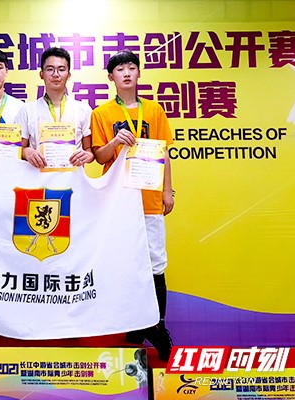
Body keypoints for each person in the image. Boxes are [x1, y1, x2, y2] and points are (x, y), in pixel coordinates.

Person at [90, 50, 175, 361]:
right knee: (122, 263)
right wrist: (115, 142)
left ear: (139, 74)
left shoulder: (154, 110)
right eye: (119, 69)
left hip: (150, 199)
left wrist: (168, 190)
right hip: (117, 201)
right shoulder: (101, 113)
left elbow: (164, 152)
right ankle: (133, 325)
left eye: (131, 68)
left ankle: (157, 326)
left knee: (155, 263)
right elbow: (99, 156)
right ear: (110, 77)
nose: (126, 73)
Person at [15, 47, 94, 169]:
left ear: (68, 75)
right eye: (50, 69)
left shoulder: (83, 109)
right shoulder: (27, 110)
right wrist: (26, 152)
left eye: (61, 69)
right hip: (38, 177)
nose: (56, 74)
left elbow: (89, 150)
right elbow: (18, 149)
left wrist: (87, 156)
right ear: (41, 74)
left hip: (74, 178)